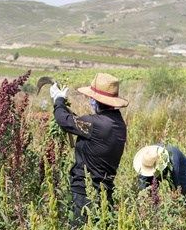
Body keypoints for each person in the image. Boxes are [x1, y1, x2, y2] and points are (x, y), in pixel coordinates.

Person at [49, 73, 128, 220]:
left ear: (97, 100)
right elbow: (84, 126)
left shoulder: (94, 124)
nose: (90, 100)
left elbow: (63, 119)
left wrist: (58, 100)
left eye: (92, 98)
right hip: (105, 193)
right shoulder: (119, 124)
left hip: (85, 193)